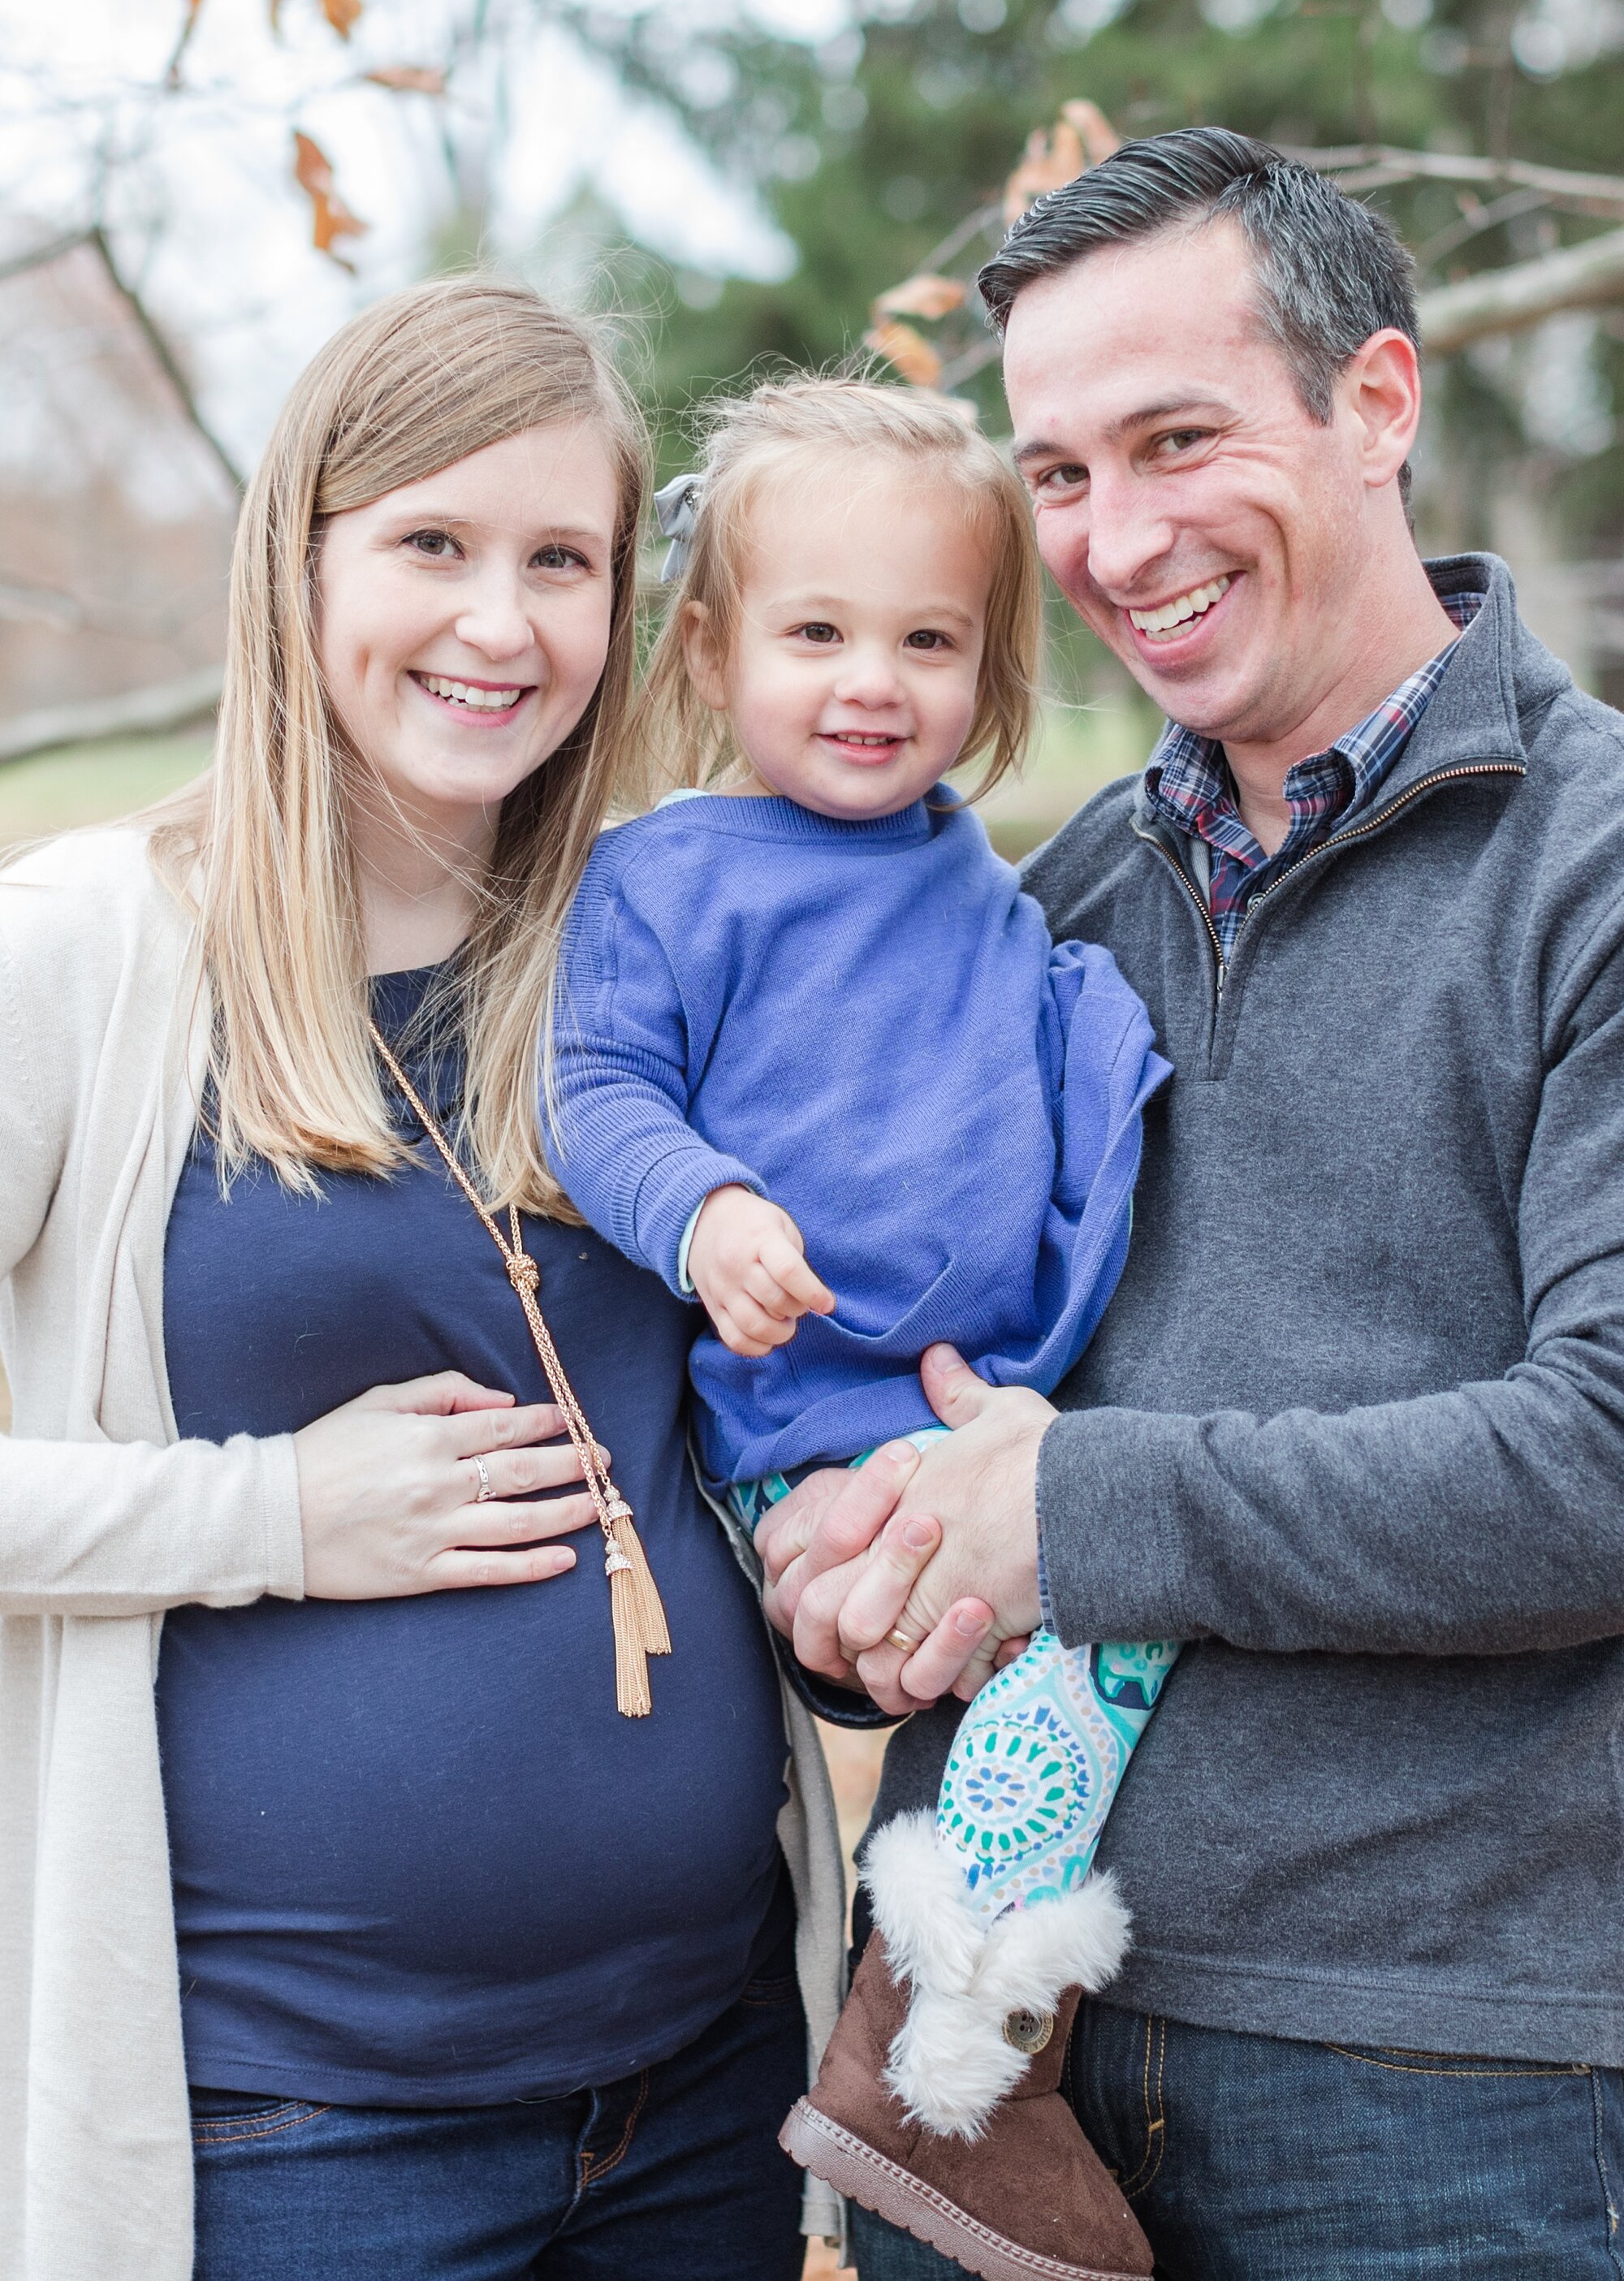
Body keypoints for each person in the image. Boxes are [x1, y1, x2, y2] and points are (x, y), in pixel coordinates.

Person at [762, 128, 1624, 2280]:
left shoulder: (1589, 873)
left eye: (1176, 440)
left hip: (1449, 2087)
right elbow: (952, 1394)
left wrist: (1069, 1509)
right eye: (1058, 475)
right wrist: (870, 1573)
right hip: (997, 2064)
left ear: (1380, 402)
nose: (1117, 538)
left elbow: (1600, 1457)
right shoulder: (1047, 912)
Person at [0, 278, 849, 2281]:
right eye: (433, 545)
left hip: (704, 2083)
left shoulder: (655, 944)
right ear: (298, 559)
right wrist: (272, 1513)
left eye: (562, 559)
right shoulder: (91, 951)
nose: (502, 622)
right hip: (301, 2130)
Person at [538, 374, 1171, 2278]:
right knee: (1053, 1647)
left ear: (989, 667)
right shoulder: (671, 877)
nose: (870, 682)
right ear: (718, 646)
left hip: (985, 1405)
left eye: (927, 639)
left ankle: (957, 2034)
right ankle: (944, 2063)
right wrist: (705, 1208)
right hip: (813, 1414)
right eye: (815, 633)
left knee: (1085, 1654)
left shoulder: (981, 882)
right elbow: (600, 1090)